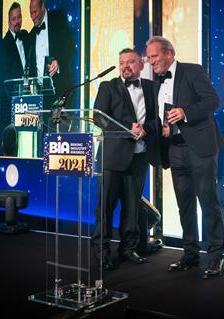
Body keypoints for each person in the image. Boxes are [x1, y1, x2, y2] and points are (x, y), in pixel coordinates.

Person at [146, 36, 224, 279]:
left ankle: (215, 257)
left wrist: (185, 113)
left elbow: (213, 100)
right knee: (185, 206)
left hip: (200, 148)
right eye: (148, 58)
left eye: (155, 56)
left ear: (169, 53)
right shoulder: (156, 82)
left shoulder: (192, 71)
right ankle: (190, 254)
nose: (151, 62)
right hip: (174, 149)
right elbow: (161, 116)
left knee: (207, 203)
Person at [92, 48, 159, 270]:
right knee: (105, 209)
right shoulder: (108, 87)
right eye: (122, 62)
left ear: (141, 64)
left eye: (130, 62)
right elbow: (99, 117)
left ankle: (128, 248)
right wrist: (125, 129)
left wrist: (146, 130)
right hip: (112, 158)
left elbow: (156, 120)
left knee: (132, 208)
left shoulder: (151, 88)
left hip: (138, 157)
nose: (125, 66)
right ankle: (101, 252)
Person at [0, 2, 29, 155]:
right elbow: (4, 78)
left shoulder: (26, 37)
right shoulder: (3, 45)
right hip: (8, 102)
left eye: (19, 17)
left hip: (26, 100)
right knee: (10, 146)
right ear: (8, 21)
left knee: (25, 142)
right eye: (13, 19)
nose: (17, 21)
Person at [28, 0, 74, 100]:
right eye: (31, 13)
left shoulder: (58, 19)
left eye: (35, 12)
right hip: (40, 95)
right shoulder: (31, 35)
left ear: (43, 7)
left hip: (61, 90)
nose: (32, 17)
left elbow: (70, 46)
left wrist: (58, 62)